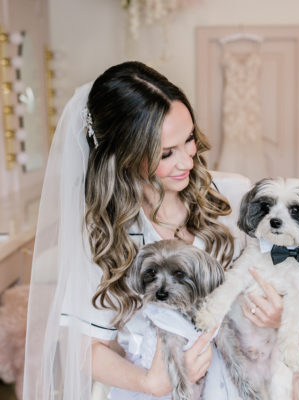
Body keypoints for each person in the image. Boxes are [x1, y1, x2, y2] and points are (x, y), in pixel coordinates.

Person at [23, 61, 282, 400]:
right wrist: (150, 384)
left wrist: (276, 315)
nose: (188, 161)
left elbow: (276, 282)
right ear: (125, 157)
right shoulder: (105, 236)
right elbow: (85, 349)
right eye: (166, 153)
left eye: (189, 139)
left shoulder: (233, 198)